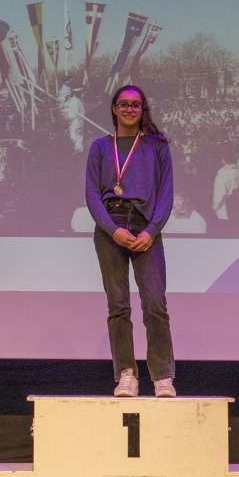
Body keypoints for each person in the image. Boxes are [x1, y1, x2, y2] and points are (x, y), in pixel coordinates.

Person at [85, 84, 176, 397]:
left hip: (145, 226)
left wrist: (151, 231)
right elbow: (92, 194)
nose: (129, 109)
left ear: (143, 109)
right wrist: (112, 230)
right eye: (123, 104)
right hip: (110, 228)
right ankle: (126, 374)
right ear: (114, 109)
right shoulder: (100, 147)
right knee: (118, 306)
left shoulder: (157, 146)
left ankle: (162, 376)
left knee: (155, 304)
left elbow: (166, 193)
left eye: (135, 105)